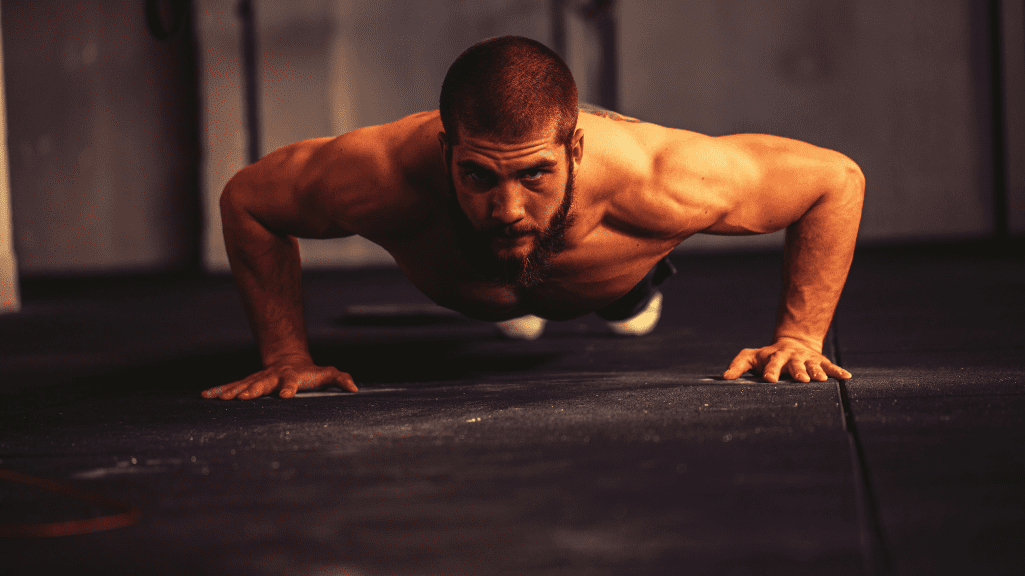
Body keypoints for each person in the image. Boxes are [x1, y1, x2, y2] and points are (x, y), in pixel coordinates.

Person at [201, 36, 863, 401]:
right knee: (509, 280)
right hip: (470, 285)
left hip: (614, 271)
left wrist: (799, 339)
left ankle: (633, 289)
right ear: (446, 151)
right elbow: (248, 200)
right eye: (478, 176)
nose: (508, 205)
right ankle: (517, 293)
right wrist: (286, 354)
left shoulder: (660, 175)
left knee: (626, 303)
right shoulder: (378, 172)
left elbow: (834, 180)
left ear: (575, 150)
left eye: (534, 175)